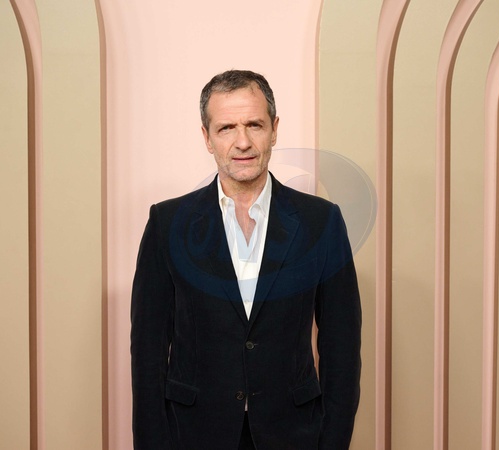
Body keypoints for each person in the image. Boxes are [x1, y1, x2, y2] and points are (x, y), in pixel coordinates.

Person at [131, 70, 361, 450]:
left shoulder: (321, 222)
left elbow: (342, 349)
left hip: (295, 436)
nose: (242, 142)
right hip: (193, 435)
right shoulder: (167, 224)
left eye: (254, 124)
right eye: (226, 128)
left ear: (274, 129)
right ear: (207, 137)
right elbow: (148, 353)